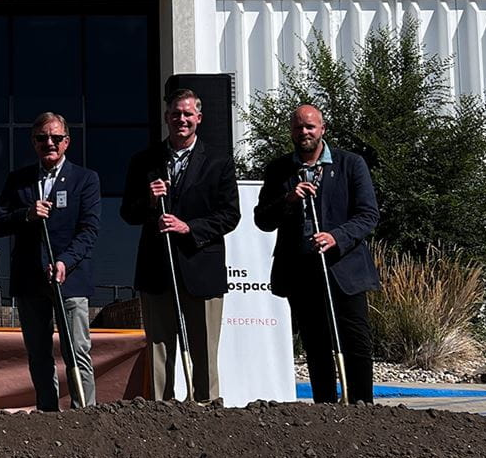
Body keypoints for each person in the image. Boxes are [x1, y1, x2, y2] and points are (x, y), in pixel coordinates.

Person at [254, 103, 380, 404]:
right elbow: (262, 219)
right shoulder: (279, 170)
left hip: (344, 269)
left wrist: (336, 237)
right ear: (291, 132)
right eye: (298, 127)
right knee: (316, 345)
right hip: (301, 271)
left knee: (356, 343)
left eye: (310, 126)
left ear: (322, 129)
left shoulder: (350, 164)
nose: (304, 132)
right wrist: (288, 199)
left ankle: (362, 407)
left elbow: (368, 215)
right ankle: (325, 410)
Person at [120, 89, 240, 403]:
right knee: (159, 349)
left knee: (203, 349)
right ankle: (161, 410)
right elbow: (127, 213)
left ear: (198, 118)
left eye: (188, 114)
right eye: (176, 114)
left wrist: (190, 228)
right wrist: (148, 199)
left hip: (201, 267)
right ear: (166, 118)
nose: (181, 120)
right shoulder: (144, 161)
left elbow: (230, 215)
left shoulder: (219, 162)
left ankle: (205, 408)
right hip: (157, 269)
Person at [0, 112, 101, 410]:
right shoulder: (19, 180)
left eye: (55, 138)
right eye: (42, 138)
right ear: (33, 142)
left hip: (70, 279)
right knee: (38, 353)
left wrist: (65, 261)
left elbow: (89, 230)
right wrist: (25, 214)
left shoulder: (85, 179)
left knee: (77, 350)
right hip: (30, 280)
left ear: (67, 141)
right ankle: (47, 415)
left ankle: (84, 414)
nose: (48, 143)